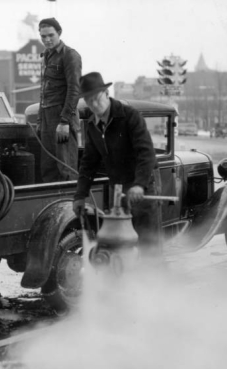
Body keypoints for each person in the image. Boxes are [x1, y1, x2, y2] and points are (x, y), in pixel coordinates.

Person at [72, 72, 163, 258]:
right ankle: (124, 285)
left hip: (142, 189)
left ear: (106, 93)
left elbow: (146, 152)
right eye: (88, 101)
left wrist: (139, 184)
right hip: (118, 193)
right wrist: (80, 196)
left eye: (96, 98)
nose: (94, 105)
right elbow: (88, 164)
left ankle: (155, 284)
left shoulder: (130, 116)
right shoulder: (92, 126)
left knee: (149, 244)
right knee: (119, 245)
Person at [36, 17, 82, 182]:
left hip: (62, 117)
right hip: (48, 117)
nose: (47, 40)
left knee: (66, 168)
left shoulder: (70, 55)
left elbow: (74, 90)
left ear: (59, 33)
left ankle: (69, 207)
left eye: (51, 35)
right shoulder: (47, 56)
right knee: (48, 167)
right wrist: (41, 120)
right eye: (43, 36)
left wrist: (64, 121)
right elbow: (44, 91)